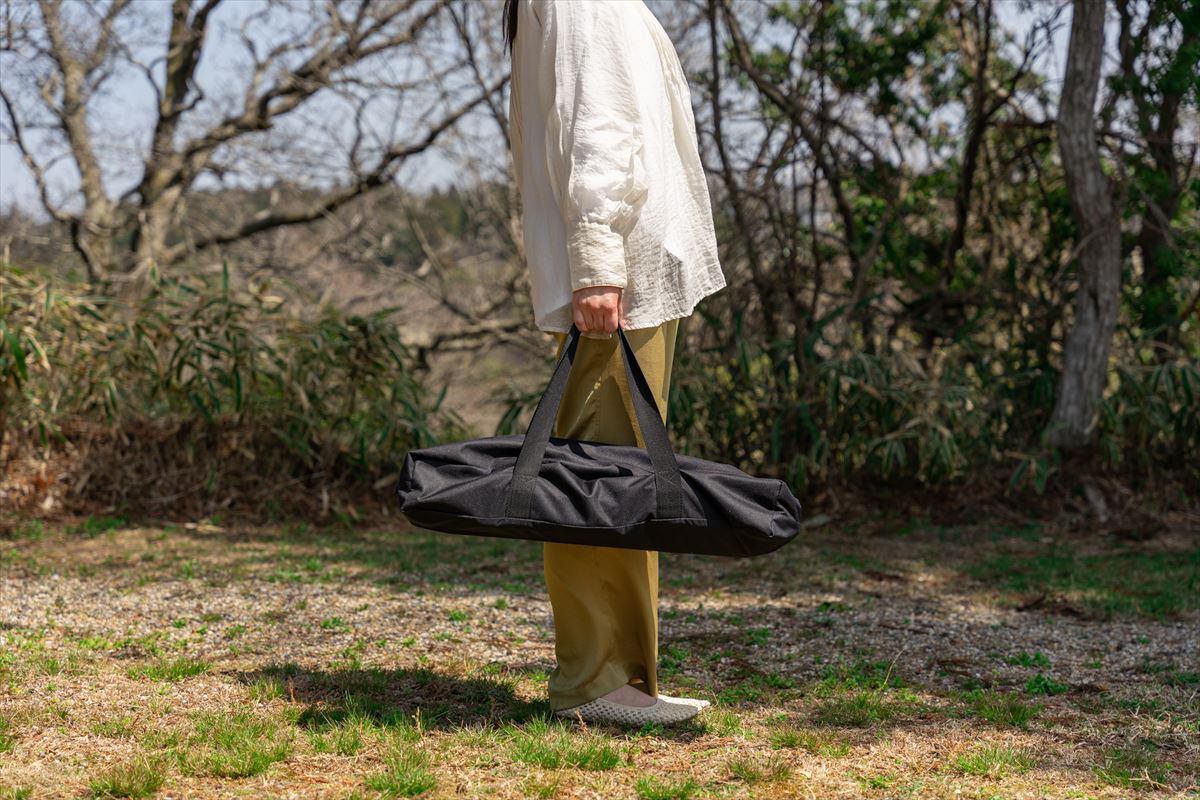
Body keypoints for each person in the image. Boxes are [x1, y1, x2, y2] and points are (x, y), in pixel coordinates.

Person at [505, 0, 726, 726]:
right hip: (621, 273)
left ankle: (624, 679)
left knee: (620, 472)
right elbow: (595, 121)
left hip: (630, 271)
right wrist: (597, 262)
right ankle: (596, 683)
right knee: (599, 475)